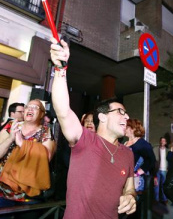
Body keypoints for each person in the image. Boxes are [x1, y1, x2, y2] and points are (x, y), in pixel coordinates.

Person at [50, 38, 136, 218]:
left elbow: (130, 188)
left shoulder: (128, 154)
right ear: (103, 117)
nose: (126, 116)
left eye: (126, 113)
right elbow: (63, 111)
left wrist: (130, 196)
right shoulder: (85, 140)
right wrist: (60, 69)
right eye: (120, 111)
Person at [0, 99, 56, 219]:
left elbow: (46, 159)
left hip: (29, 192)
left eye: (35, 107)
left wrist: (22, 144)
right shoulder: (11, 126)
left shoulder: (46, 132)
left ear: (41, 114)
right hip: (1, 189)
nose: (30, 109)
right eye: (28, 106)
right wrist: (10, 138)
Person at [124, 118, 156, 219]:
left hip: (136, 183)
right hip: (125, 182)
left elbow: (151, 161)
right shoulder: (125, 143)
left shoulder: (142, 144)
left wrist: (137, 173)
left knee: (133, 210)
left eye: (127, 126)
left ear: (133, 129)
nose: (124, 128)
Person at [154, 136, 169, 204]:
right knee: (157, 186)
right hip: (158, 170)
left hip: (164, 170)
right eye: (161, 140)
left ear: (165, 142)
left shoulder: (168, 151)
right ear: (160, 141)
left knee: (163, 186)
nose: (162, 142)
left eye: (164, 141)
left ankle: (164, 199)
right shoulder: (156, 149)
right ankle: (156, 200)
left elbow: (170, 160)